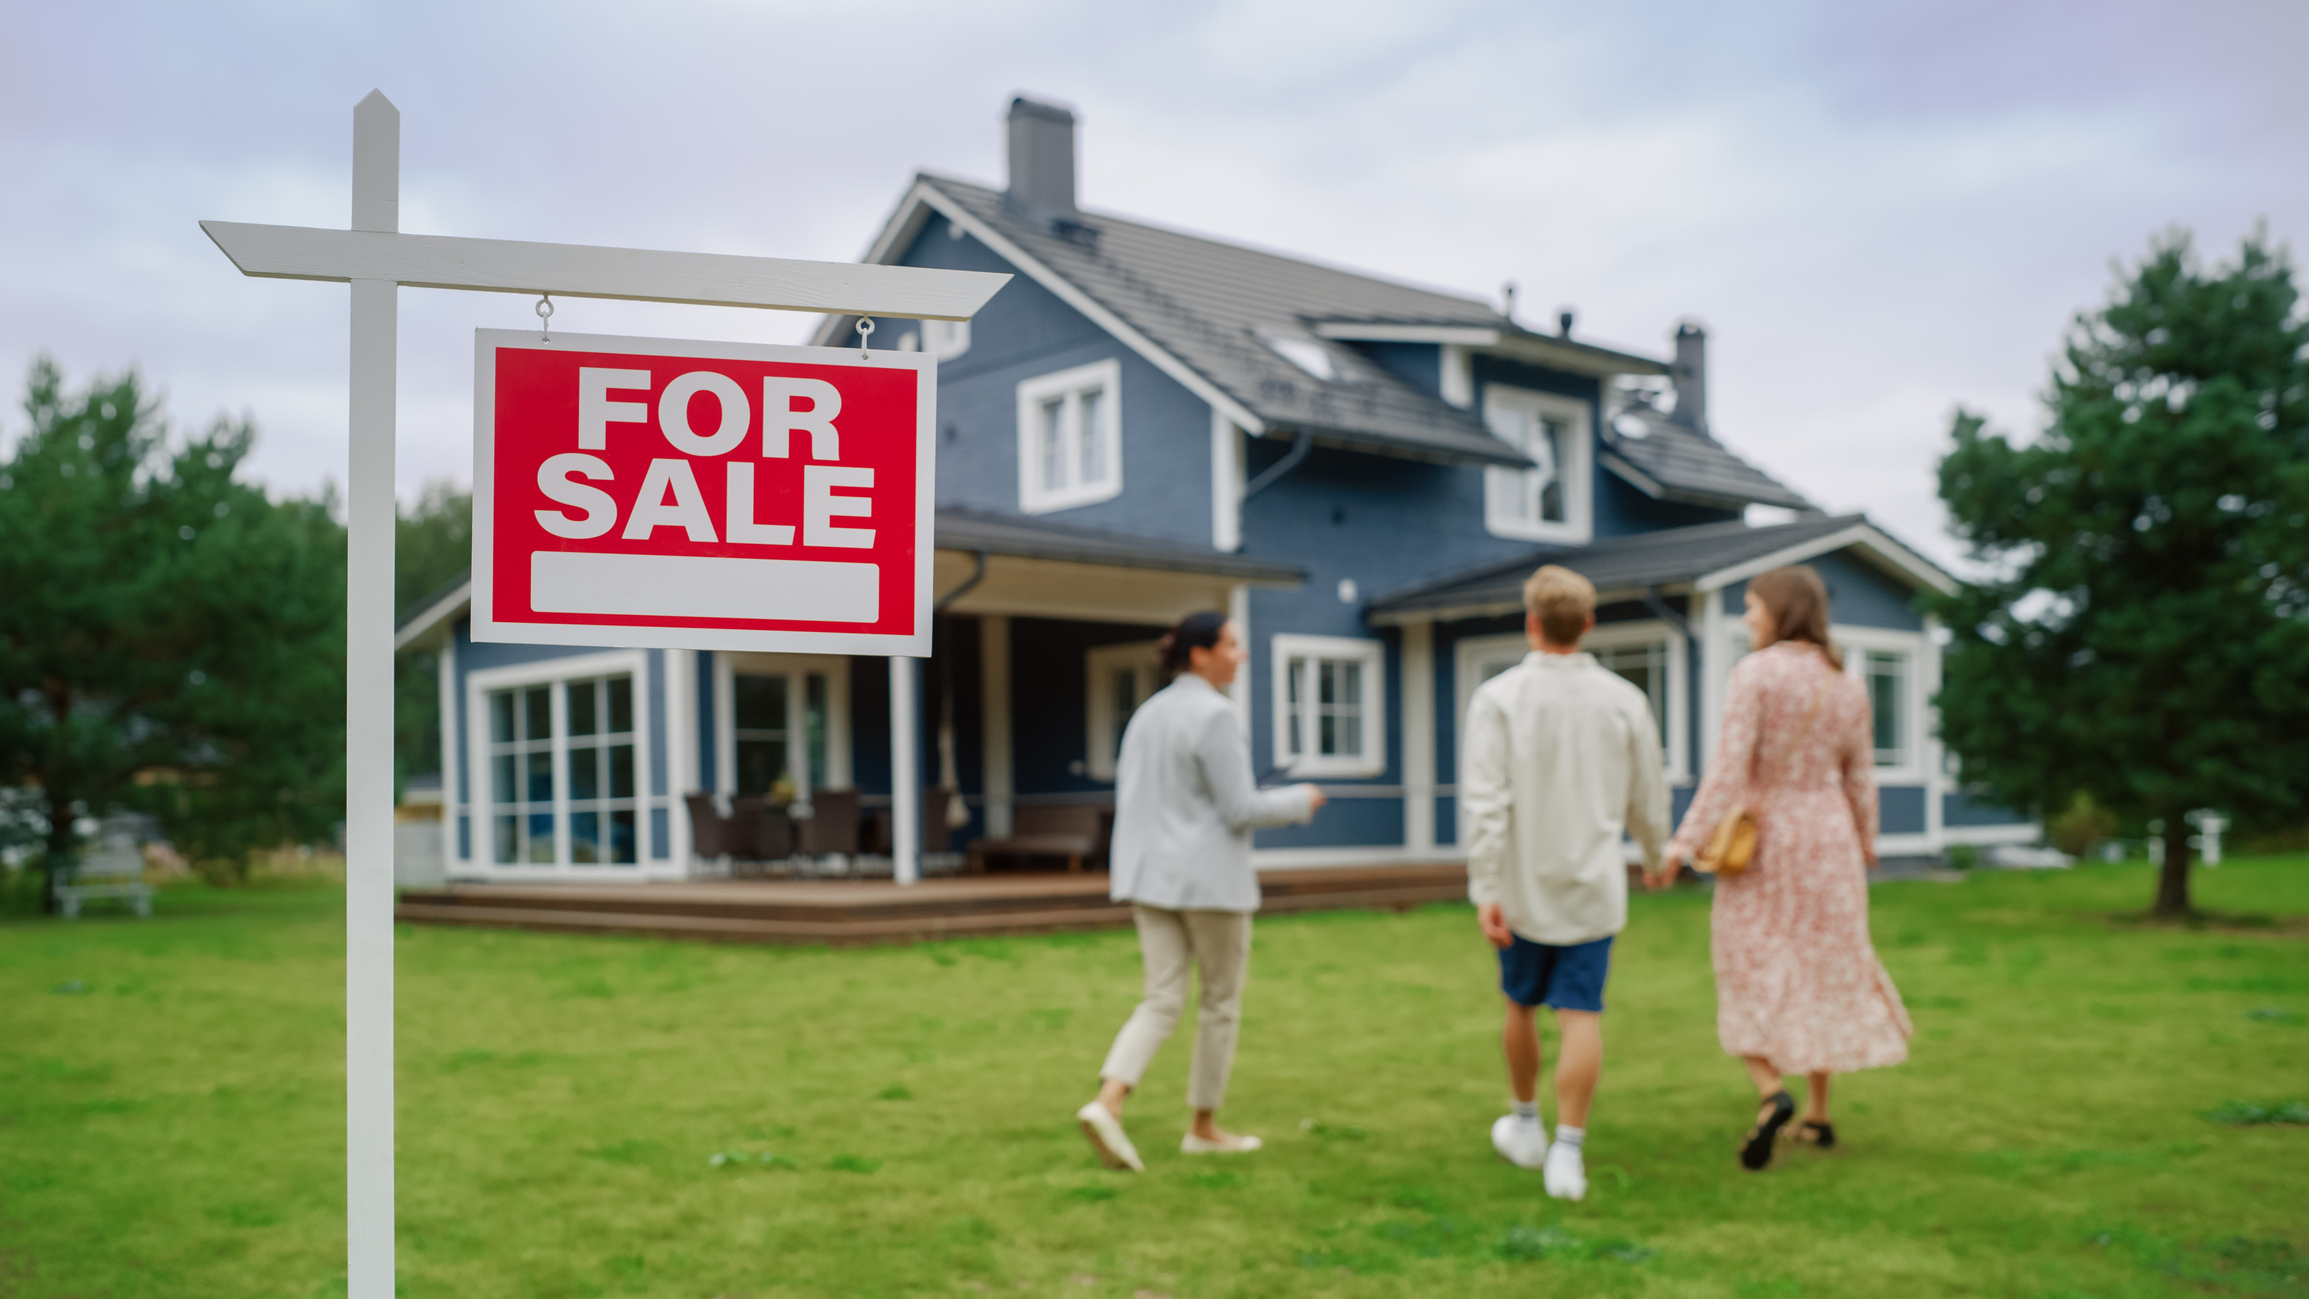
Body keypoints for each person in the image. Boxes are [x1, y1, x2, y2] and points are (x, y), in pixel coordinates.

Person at [1645, 565, 1913, 1170]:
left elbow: (1728, 772)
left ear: (1780, 610)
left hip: (1766, 842)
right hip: (1831, 838)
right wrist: (1867, 839)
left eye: (1751, 606)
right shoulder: (1845, 681)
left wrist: (1681, 846)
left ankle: (1772, 1092)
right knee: (1823, 966)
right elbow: (1860, 774)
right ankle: (1818, 1116)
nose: (1746, 617)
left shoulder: (1756, 674)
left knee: (1747, 961)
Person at [1074, 611, 1327, 1172]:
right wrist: (1299, 801)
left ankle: (1109, 1102)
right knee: (1219, 1003)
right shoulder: (1216, 715)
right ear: (1199, 654)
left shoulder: (1146, 714)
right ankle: (1203, 1128)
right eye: (1232, 645)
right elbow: (1240, 808)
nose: (1241, 655)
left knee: (1161, 998)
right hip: (1208, 882)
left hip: (1147, 877)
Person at [1462, 565, 1670, 1201]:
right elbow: (1647, 794)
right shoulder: (1624, 700)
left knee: (1519, 1004)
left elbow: (1485, 803)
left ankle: (1527, 1126)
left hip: (1521, 887)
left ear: (1530, 622)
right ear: (1588, 624)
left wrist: (1485, 886)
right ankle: (1567, 1151)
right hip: (1593, 888)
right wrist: (1658, 853)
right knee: (1582, 1015)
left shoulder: (1498, 698)